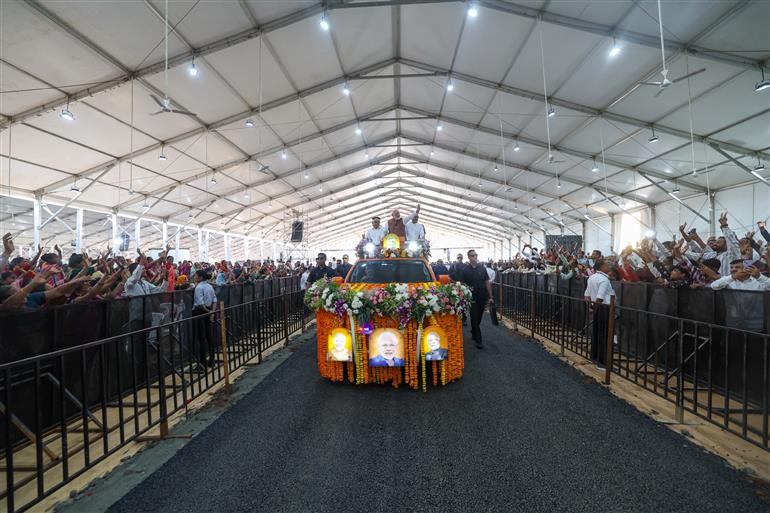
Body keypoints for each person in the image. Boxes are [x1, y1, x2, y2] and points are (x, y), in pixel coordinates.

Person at [452, 249, 493, 349]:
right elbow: (461, 284)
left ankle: (474, 331)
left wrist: (491, 296)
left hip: (482, 297)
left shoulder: (482, 269)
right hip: (471, 298)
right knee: (474, 317)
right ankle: (478, 340)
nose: (475, 257)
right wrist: (460, 295)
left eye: (475, 255)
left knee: (479, 317)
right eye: (472, 255)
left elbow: (487, 282)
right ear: (469, 257)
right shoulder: (465, 270)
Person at [584, 259, 615, 370]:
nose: (608, 267)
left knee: (597, 333)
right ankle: (603, 364)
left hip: (597, 308)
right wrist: (595, 308)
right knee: (605, 335)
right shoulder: (604, 279)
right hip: (604, 309)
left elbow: (587, 295)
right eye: (606, 265)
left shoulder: (592, 277)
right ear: (601, 267)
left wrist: (591, 308)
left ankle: (595, 358)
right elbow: (600, 298)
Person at [192, 270, 217, 368]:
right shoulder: (209, 286)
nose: (195, 277)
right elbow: (214, 300)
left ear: (200, 277)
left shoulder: (199, 287)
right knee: (208, 336)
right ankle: (212, 359)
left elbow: (200, 303)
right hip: (209, 311)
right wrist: (212, 312)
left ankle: (202, 362)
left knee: (201, 337)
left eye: (196, 276)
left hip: (199, 312)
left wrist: (208, 311)